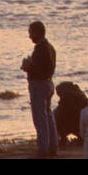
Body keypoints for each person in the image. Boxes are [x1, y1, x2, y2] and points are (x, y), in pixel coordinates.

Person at [22, 20, 58, 157]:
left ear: (37, 32)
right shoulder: (50, 47)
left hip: (39, 85)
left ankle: (43, 148)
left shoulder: (40, 48)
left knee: (40, 118)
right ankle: (52, 146)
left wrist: (27, 66)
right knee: (48, 116)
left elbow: (39, 70)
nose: (29, 36)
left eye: (31, 33)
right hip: (48, 84)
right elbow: (47, 68)